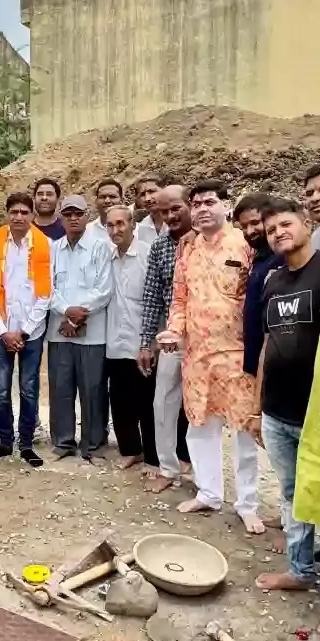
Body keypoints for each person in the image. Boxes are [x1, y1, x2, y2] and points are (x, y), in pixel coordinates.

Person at [251, 197, 320, 641]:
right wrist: (257, 405)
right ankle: (299, 570)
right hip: (278, 411)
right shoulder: (274, 279)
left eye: (285, 224)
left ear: (306, 223)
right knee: (292, 495)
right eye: (270, 229)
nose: (278, 233)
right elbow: (268, 344)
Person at [160, 180, 263, 533]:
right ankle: (208, 493)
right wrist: (174, 330)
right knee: (200, 426)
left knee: (244, 431)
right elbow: (179, 298)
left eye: (209, 202)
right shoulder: (188, 248)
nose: (202, 209)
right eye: (197, 204)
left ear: (227, 205)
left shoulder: (246, 243)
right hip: (197, 355)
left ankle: (248, 504)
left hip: (237, 354)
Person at [0, 191, 53, 468]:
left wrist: (24, 332)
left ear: (32, 215)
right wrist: (3, 331)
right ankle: (4, 442)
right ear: (7, 214)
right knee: (1, 390)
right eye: (14, 212)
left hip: (30, 333)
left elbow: (45, 294)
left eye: (24, 212)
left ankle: (26, 444)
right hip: (1, 332)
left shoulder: (44, 244)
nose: (19, 217)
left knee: (28, 389)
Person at [138, 185, 196, 493]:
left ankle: (204, 476)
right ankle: (168, 467)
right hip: (173, 337)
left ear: (190, 205)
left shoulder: (209, 242)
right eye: (164, 212)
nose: (170, 216)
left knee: (203, 409)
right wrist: (146, 342)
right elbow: (151, 297)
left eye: (176, 209)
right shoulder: (160, 247)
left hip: (208, 338)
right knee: (162, 401)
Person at [49, 194, 115, 462]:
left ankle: (94, 444)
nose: (73, 218)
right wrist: (66, 311)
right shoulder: (54, 249)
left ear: (87, 216)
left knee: (93, 390)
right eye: (68, 214)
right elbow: (47, 288)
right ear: (61, 218)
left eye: (78, 214)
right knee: (61, 389)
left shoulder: (101, 247)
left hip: (92, 332)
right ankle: (63, 442)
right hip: (59, 331)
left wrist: (76, 316)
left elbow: (105, 289)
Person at [103, 204, 156, 470]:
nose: (116, 230)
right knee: (120, 399)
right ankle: (130, 449)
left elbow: (157, 302)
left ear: (132, 224)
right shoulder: (107, 258)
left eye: (120, 224)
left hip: (142, 342)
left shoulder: (148, 254)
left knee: (147, 401)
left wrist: (152, 342)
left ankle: (153, 456)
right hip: (115, 341)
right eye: (110, 225)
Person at [234, 193, 281, 381]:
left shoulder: (281, 259)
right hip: (258, 360)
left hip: (273, 361)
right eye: (244, 227)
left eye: (255, 223)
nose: (249, 231)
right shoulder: (260, 258)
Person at [85, 178, 124, 243]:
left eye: (112, 196)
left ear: (122, 201)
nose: (107, 201)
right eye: (102, 197)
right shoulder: (86, 232)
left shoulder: (135, 229)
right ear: (96, 201)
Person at [132, 174, 165, 245]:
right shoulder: (141, 227)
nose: (147, 199)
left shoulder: (178, 221)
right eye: (142, 194)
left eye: (152, 191)